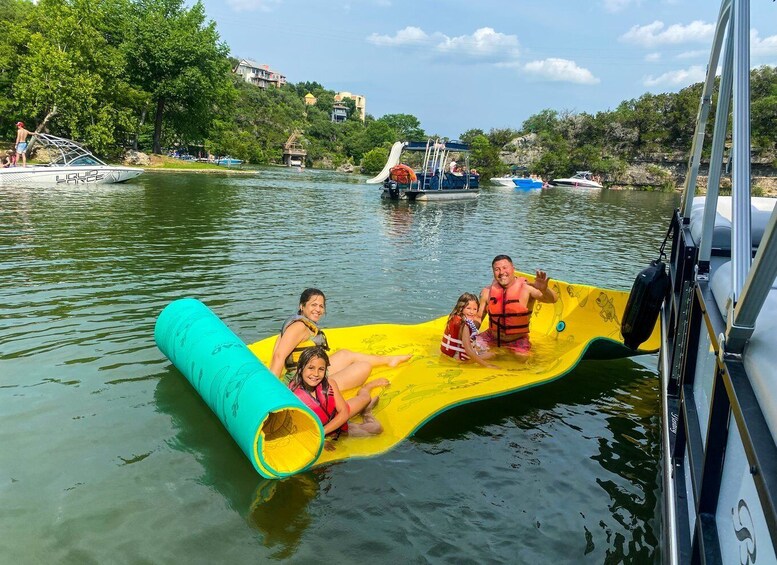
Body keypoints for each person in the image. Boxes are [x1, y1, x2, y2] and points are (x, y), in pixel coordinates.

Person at [270, 288, 412, 390]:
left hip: (308, 373)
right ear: (302, 306)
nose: (318, 309)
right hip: (305, 383)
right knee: (364, 367)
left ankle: (389, 360)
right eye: (313, 305)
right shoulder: (299, 327)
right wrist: (271, 391)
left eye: (321, 306)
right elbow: (278, 356)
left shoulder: (295, 324)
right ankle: (324, 390)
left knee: (345, 354)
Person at [288, 347, 385, 445]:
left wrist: (322, 433)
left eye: (321, 369)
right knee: (375, 428)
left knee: (368, 403)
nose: (316, 374)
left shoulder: (330, 384)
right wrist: (323, 439)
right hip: (320, 430)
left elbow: (344, 412)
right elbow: (295, 429)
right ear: (300, 368)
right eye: (311, 368)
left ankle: (366, 391)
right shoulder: (292, 395)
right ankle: (366, 411)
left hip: (333, 418)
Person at [476, 254, 559, 356]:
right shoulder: (487, 292)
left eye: (505, 268)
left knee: (522, 360)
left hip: (517, 339)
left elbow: (553, 299)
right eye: (497, 269)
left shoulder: (527, 289)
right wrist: (467, 334)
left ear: (513, 269)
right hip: (491, 337)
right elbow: (479, 317)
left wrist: (544, 289)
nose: (501, 272)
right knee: (469, 349)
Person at [441, 293, 497, 368]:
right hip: (460, 359)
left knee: (483, 349)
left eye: (475, 309)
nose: (472, 312)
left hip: (449, 355)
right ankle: (468, 363)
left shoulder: (454, 318)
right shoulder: (464, 325)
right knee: (493, 354)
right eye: (468, 308)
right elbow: (468, 350)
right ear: (461, 308)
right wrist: (487, 365)